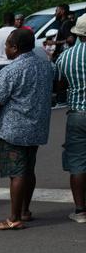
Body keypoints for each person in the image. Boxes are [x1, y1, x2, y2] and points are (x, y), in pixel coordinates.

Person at [0, 28, 54, 230]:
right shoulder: (46, 66)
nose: (5, 48)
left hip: (14, 128)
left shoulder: (10, 71)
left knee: (17, 173)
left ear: (15, 47)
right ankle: (25, 210)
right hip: (38, 126)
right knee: (29, 169)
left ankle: (14, 217)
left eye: (7, 45)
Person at [54, 14, 86, 223]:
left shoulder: (65, 57)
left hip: (77, 114)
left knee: (78, 163)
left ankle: (81, 210)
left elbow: (60, 86)